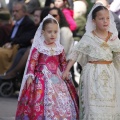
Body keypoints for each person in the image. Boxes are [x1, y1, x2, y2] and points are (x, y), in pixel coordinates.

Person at [63, 3, 120, 119]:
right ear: (94, 21)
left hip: (109, 76)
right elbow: (76, 53)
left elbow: (118, 56)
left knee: (109, 107)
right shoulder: (88, 37)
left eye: (107, 18)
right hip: (92, 76)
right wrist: (66, 70)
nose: (105, 21)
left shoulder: (113, 38)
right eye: (101, 18)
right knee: (93, 108)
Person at [15, 14, 79, 120]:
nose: (52, 35)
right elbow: (32, 62)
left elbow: (62, 63)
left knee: (60, 98)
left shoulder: (59, 48)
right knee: (41, 99)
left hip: (56, 78)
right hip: (41, 78)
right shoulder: (39, 48)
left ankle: (58, 116)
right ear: (43, 32)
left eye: (55, 32)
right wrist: (30, 75)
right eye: (49, 32)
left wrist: (65, 72)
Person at [0, 1, 35, 74]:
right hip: (10, 46)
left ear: (24, 12)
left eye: (17, 11)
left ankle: (4, 74)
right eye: (13, 11)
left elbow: (25, 38)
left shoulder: (28, 23)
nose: (14, 13)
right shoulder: (17, 22)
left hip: (17, 48)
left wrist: (12, 43)